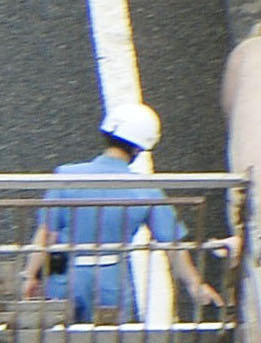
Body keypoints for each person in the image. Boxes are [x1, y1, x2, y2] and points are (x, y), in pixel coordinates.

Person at [19, 101, 223, 319]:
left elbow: (46, 233)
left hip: (65, 280)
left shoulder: (66, 176)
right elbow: (172, 244)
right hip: (112, 283)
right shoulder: (146, 190)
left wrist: (30, 276)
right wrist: (195, 283)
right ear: (139, 148)